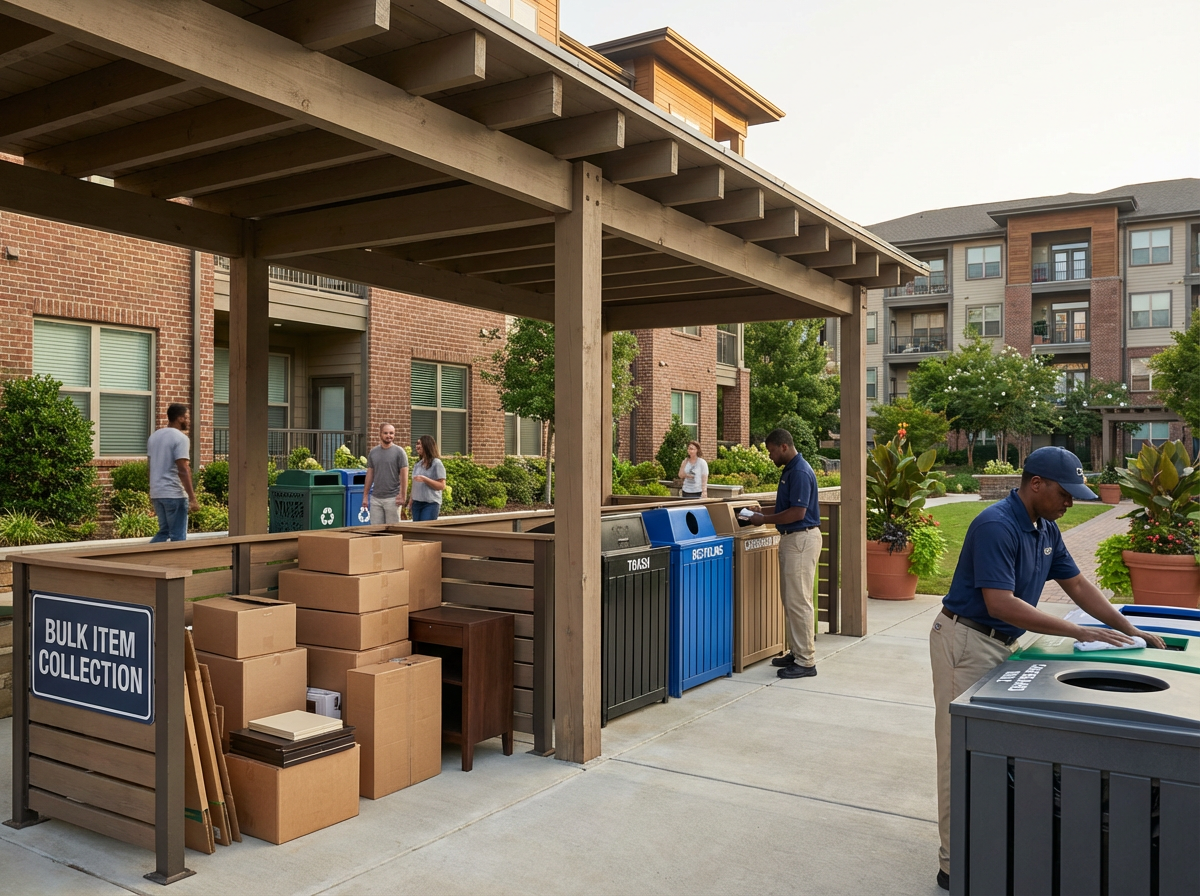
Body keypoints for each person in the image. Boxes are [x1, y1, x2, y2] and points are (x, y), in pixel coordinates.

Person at [928, 446, 1165, 892]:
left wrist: (1128, 629)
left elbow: (1077, 584)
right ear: (1035, 484)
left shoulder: (1045, 527)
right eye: (1065, 492)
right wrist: (1081, 633)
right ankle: (954, 864)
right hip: (967, 640)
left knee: (998, 750)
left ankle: (991, 843)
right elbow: (1001, 603)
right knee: (960, 753)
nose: (1070, 501)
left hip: (1002, 640)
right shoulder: (996, 525)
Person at [746, 428, 822, 680]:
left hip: (801, 539)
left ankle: (806, 661)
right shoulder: (791, 470)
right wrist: (761, 510)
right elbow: (786, 507)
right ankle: (796, 651)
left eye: (771, 451)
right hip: (794, 539)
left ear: (784, 447)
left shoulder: (799, 472)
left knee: (799, 601)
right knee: (791, 599)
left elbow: (798, 513)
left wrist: (762, 519)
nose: (770, 456)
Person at [147, 403, 199, 543]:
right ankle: (178, 561)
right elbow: (183, 469)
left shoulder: (154, 437)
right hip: (174, 494)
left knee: (164, 532)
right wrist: (192, 498)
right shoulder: (181, 438)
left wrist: (152, 489)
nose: (188, 421)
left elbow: (150, 467)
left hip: (157, 492)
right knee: (178, 537)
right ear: (180, 418)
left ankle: (148, 556)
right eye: (186, 417)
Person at [361, 423, 408, 524]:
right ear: (380, 434)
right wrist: (365, 496)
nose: (389, 435)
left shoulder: (399, 452)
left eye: (391, 433)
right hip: (376, 498)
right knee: (376, 530)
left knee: (392, 529)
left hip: (393, 498)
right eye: (386, 433)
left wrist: (403, 496)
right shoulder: (373, 452)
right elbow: (370, 474)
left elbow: (404, 475)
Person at [407, 434, 447, 522]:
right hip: (416, 504)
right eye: (417, 444)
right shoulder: (417, 465)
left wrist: (425, 479)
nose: (417, 446)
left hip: (430, 504)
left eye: (420, 444)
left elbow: (442, 486)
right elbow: (414, 485)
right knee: (417, 529)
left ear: (427, 445)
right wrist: (410, 502)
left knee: (425, 528)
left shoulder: (436, 463)